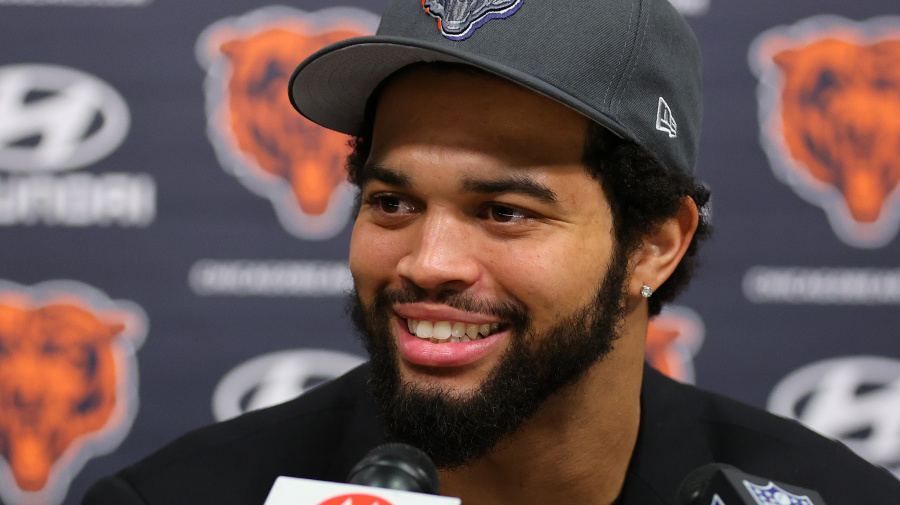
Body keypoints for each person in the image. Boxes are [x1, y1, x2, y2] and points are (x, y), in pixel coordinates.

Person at [83, 1, 900, 504]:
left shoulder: (833, 497)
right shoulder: (181, 495)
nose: (428, 260)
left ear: (655, 243)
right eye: (392, 202)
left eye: (505, 212)